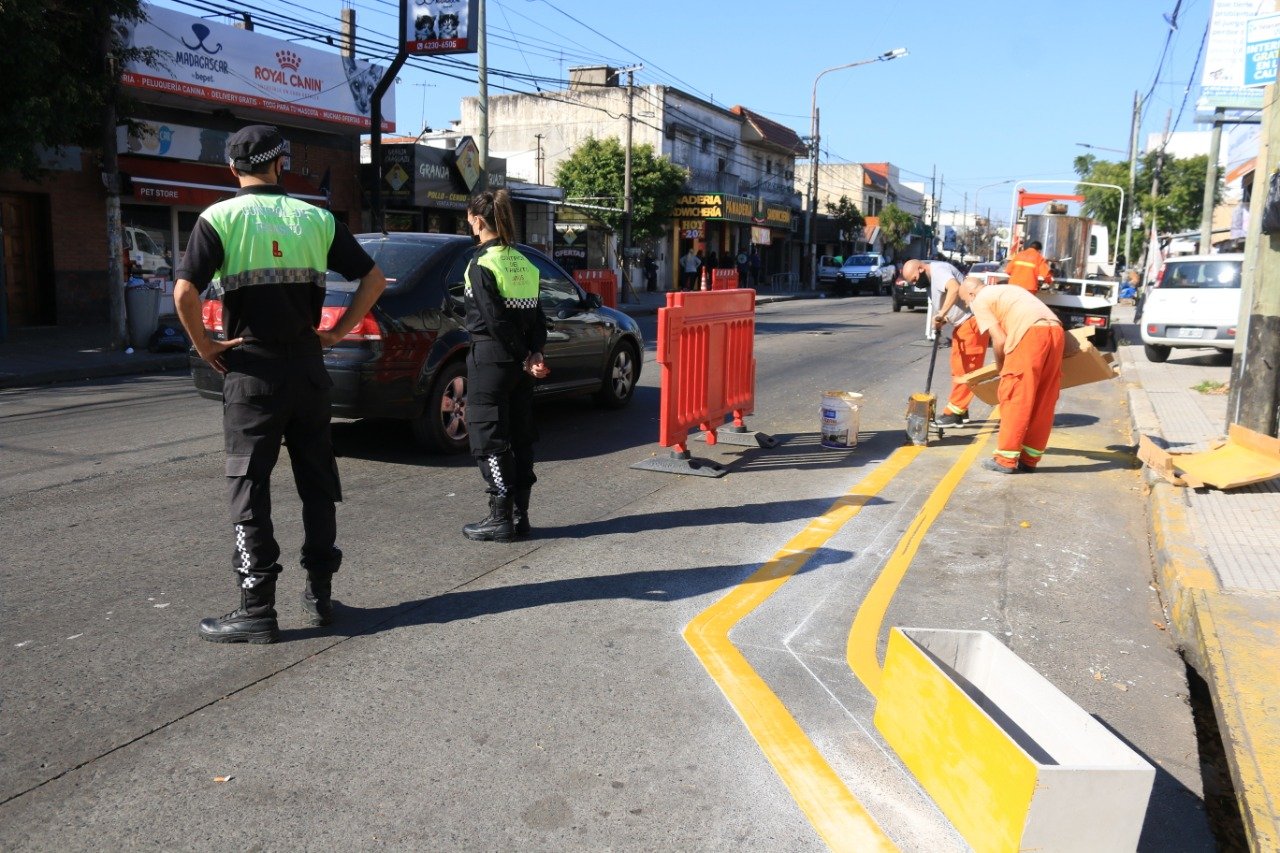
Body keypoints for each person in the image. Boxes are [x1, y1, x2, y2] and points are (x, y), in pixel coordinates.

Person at [173, 125, 387, 644]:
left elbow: (184, 292)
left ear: (233, 169)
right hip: (310, 371)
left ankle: (256, 606)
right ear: (280, 164)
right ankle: (320, 596)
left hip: (252, 371)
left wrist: (205, 347)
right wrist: (335, 331)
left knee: (250, 485)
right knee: (317, 482)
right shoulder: (316, 218)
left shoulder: (218, 219)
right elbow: (374, 279)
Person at [461, 188, 550, 542]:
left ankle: (500, 515)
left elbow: (495, 322)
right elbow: (538, 318)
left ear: (479, 220)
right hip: (520, 365)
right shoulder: (523, 262)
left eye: (469, 217)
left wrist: (520, 355)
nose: (468, 223)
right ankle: (520, 515)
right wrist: (534, 354)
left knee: (489, 435)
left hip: (492, 359)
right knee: (520, 434)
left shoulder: (481, 263)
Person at [957, 277, 1080, 474]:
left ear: (971, 293)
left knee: (1016, 395)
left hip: (1030, 335)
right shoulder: (1007, 289)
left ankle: (1005, 459)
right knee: (1044, 397)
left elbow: (1000, 339)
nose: (967, 305)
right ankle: (1029, 459)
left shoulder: (980, 300)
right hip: (1056, 332)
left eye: (965, 301)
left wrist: (1002, 368)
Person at [903, 259, 988, 426]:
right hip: (963, 324)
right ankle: (961, 411)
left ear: (920, 269)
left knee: (967, 370)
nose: (915, 284)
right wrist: (944, 318)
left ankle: (954, 412)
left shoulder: (938, 271)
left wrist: (942, 313)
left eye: (914, 279)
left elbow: (954, 288)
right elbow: (948, 301)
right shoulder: (930, 280)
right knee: (958, 368)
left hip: (972, 323)